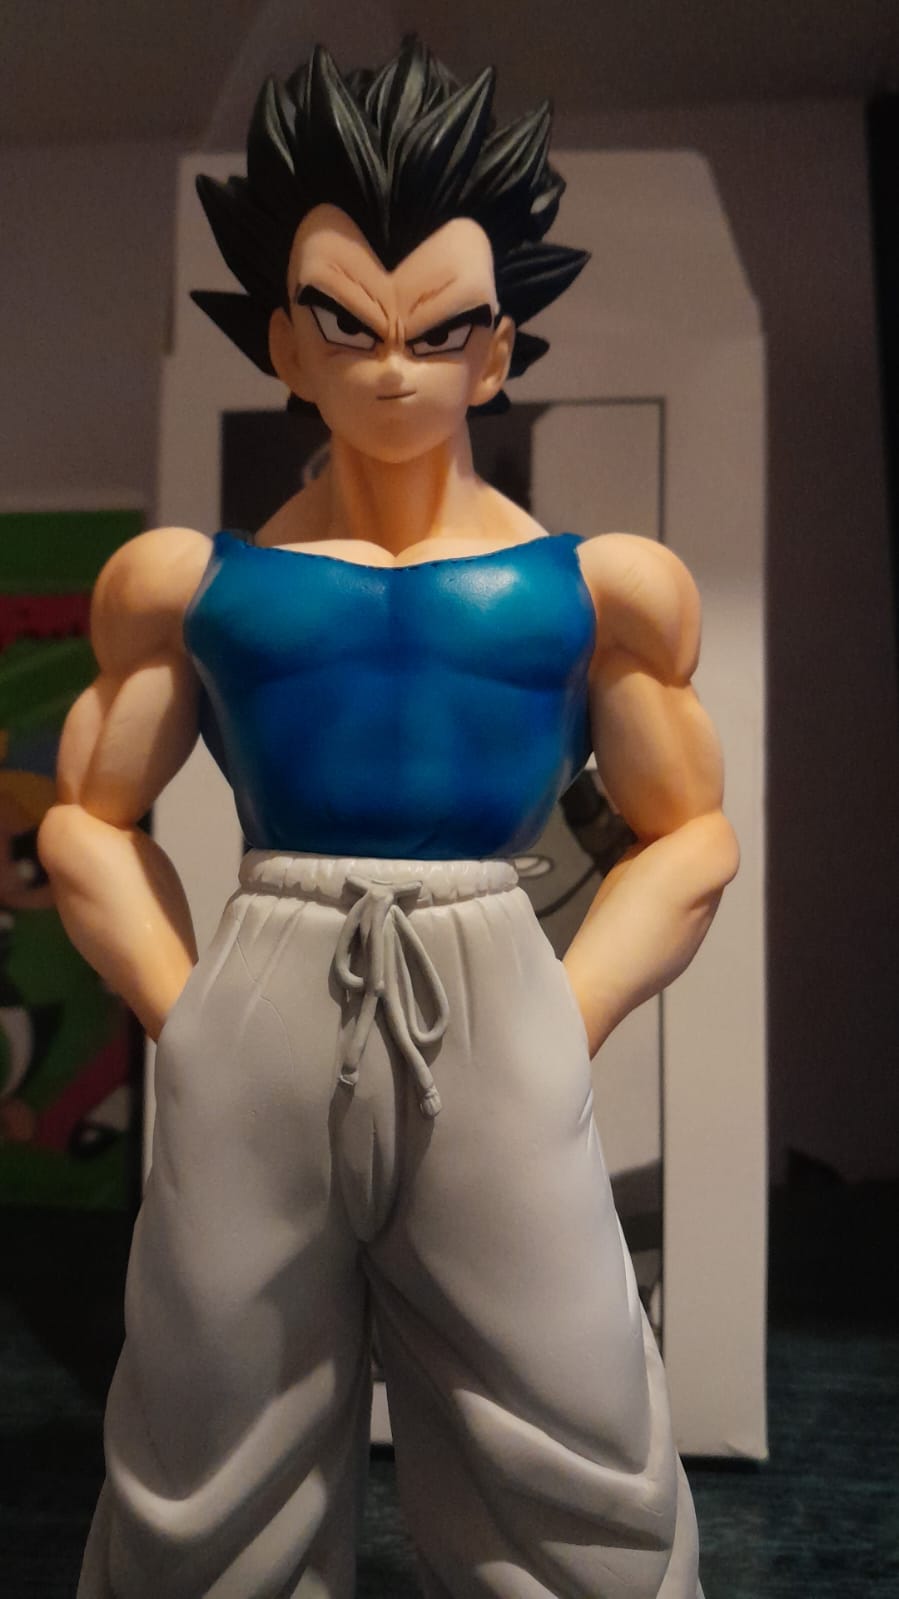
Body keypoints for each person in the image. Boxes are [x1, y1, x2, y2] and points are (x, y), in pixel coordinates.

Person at [39, 38, 738, 1599]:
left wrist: (564, 1012)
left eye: (441, 330)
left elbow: (692, 835)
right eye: (349, 326)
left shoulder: (600, 590)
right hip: (265, 979)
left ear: (498, 351)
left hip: (494, 979)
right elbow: (89, 821)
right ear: (285, 342)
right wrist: (189, 1019)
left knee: (570, 1421)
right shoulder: (187, 584)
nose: (395, 367)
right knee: (208, 1424)